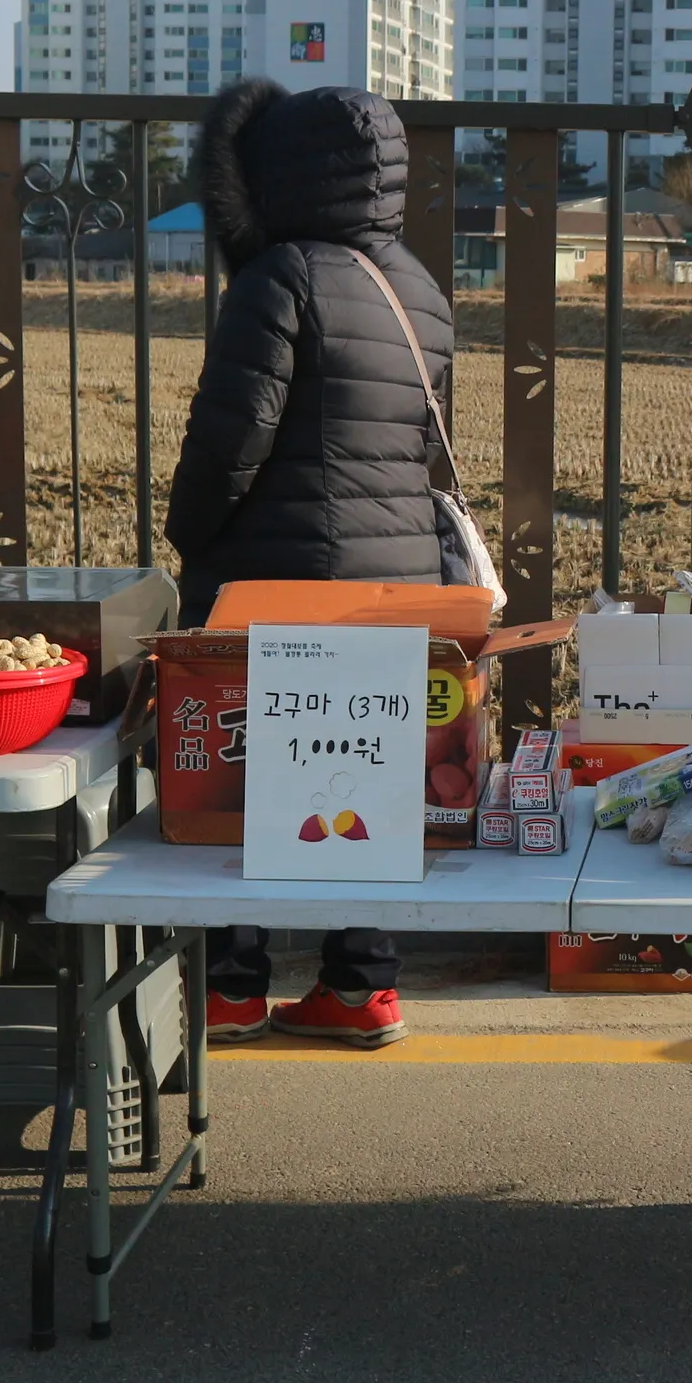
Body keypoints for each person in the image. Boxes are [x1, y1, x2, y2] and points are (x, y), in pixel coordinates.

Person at [166, 79, 453, 1049]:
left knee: (246, 776)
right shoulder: (417, 286)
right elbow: (419, 447)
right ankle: (361, 987)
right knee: (360, 771)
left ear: (272, 177)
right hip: (397, 582)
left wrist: (190, 534)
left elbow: (231, 438)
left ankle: (231, 988)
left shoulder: (278, 276)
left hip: (277, 577)